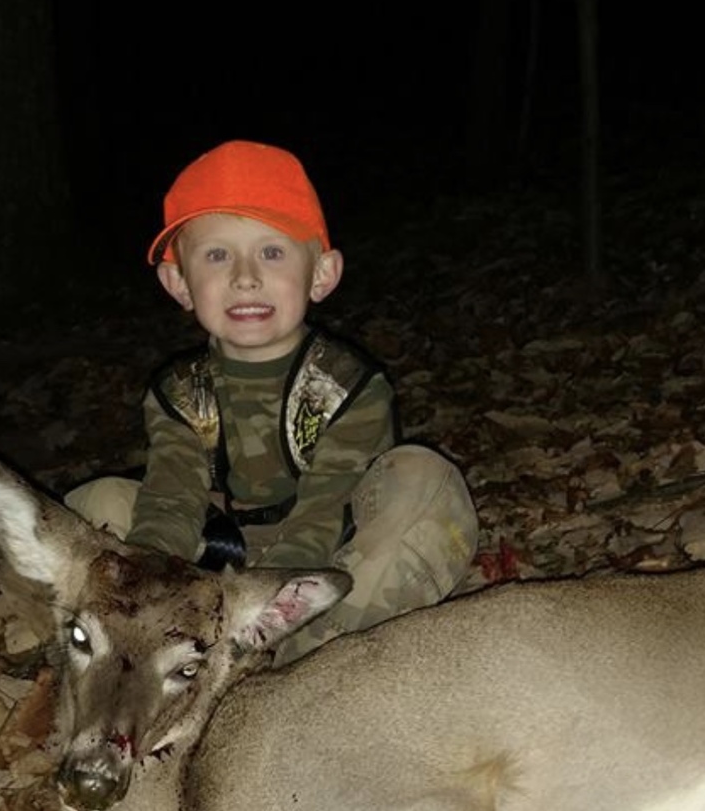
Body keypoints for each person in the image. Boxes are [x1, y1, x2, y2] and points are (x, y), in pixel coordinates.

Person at [66, 139, 478, 664]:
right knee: (93, 505)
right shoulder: (178, 392)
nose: (244, 276)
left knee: (425, 480)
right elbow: (171, 500)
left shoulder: (347, 385)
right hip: (215, 567)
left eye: (272, 251)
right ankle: (143, 661)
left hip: (327, 567)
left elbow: (326, 509)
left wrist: (267, 610)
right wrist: (152, 588)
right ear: (179, 283)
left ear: (322, 274)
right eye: (217, 255)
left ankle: (302, 668)